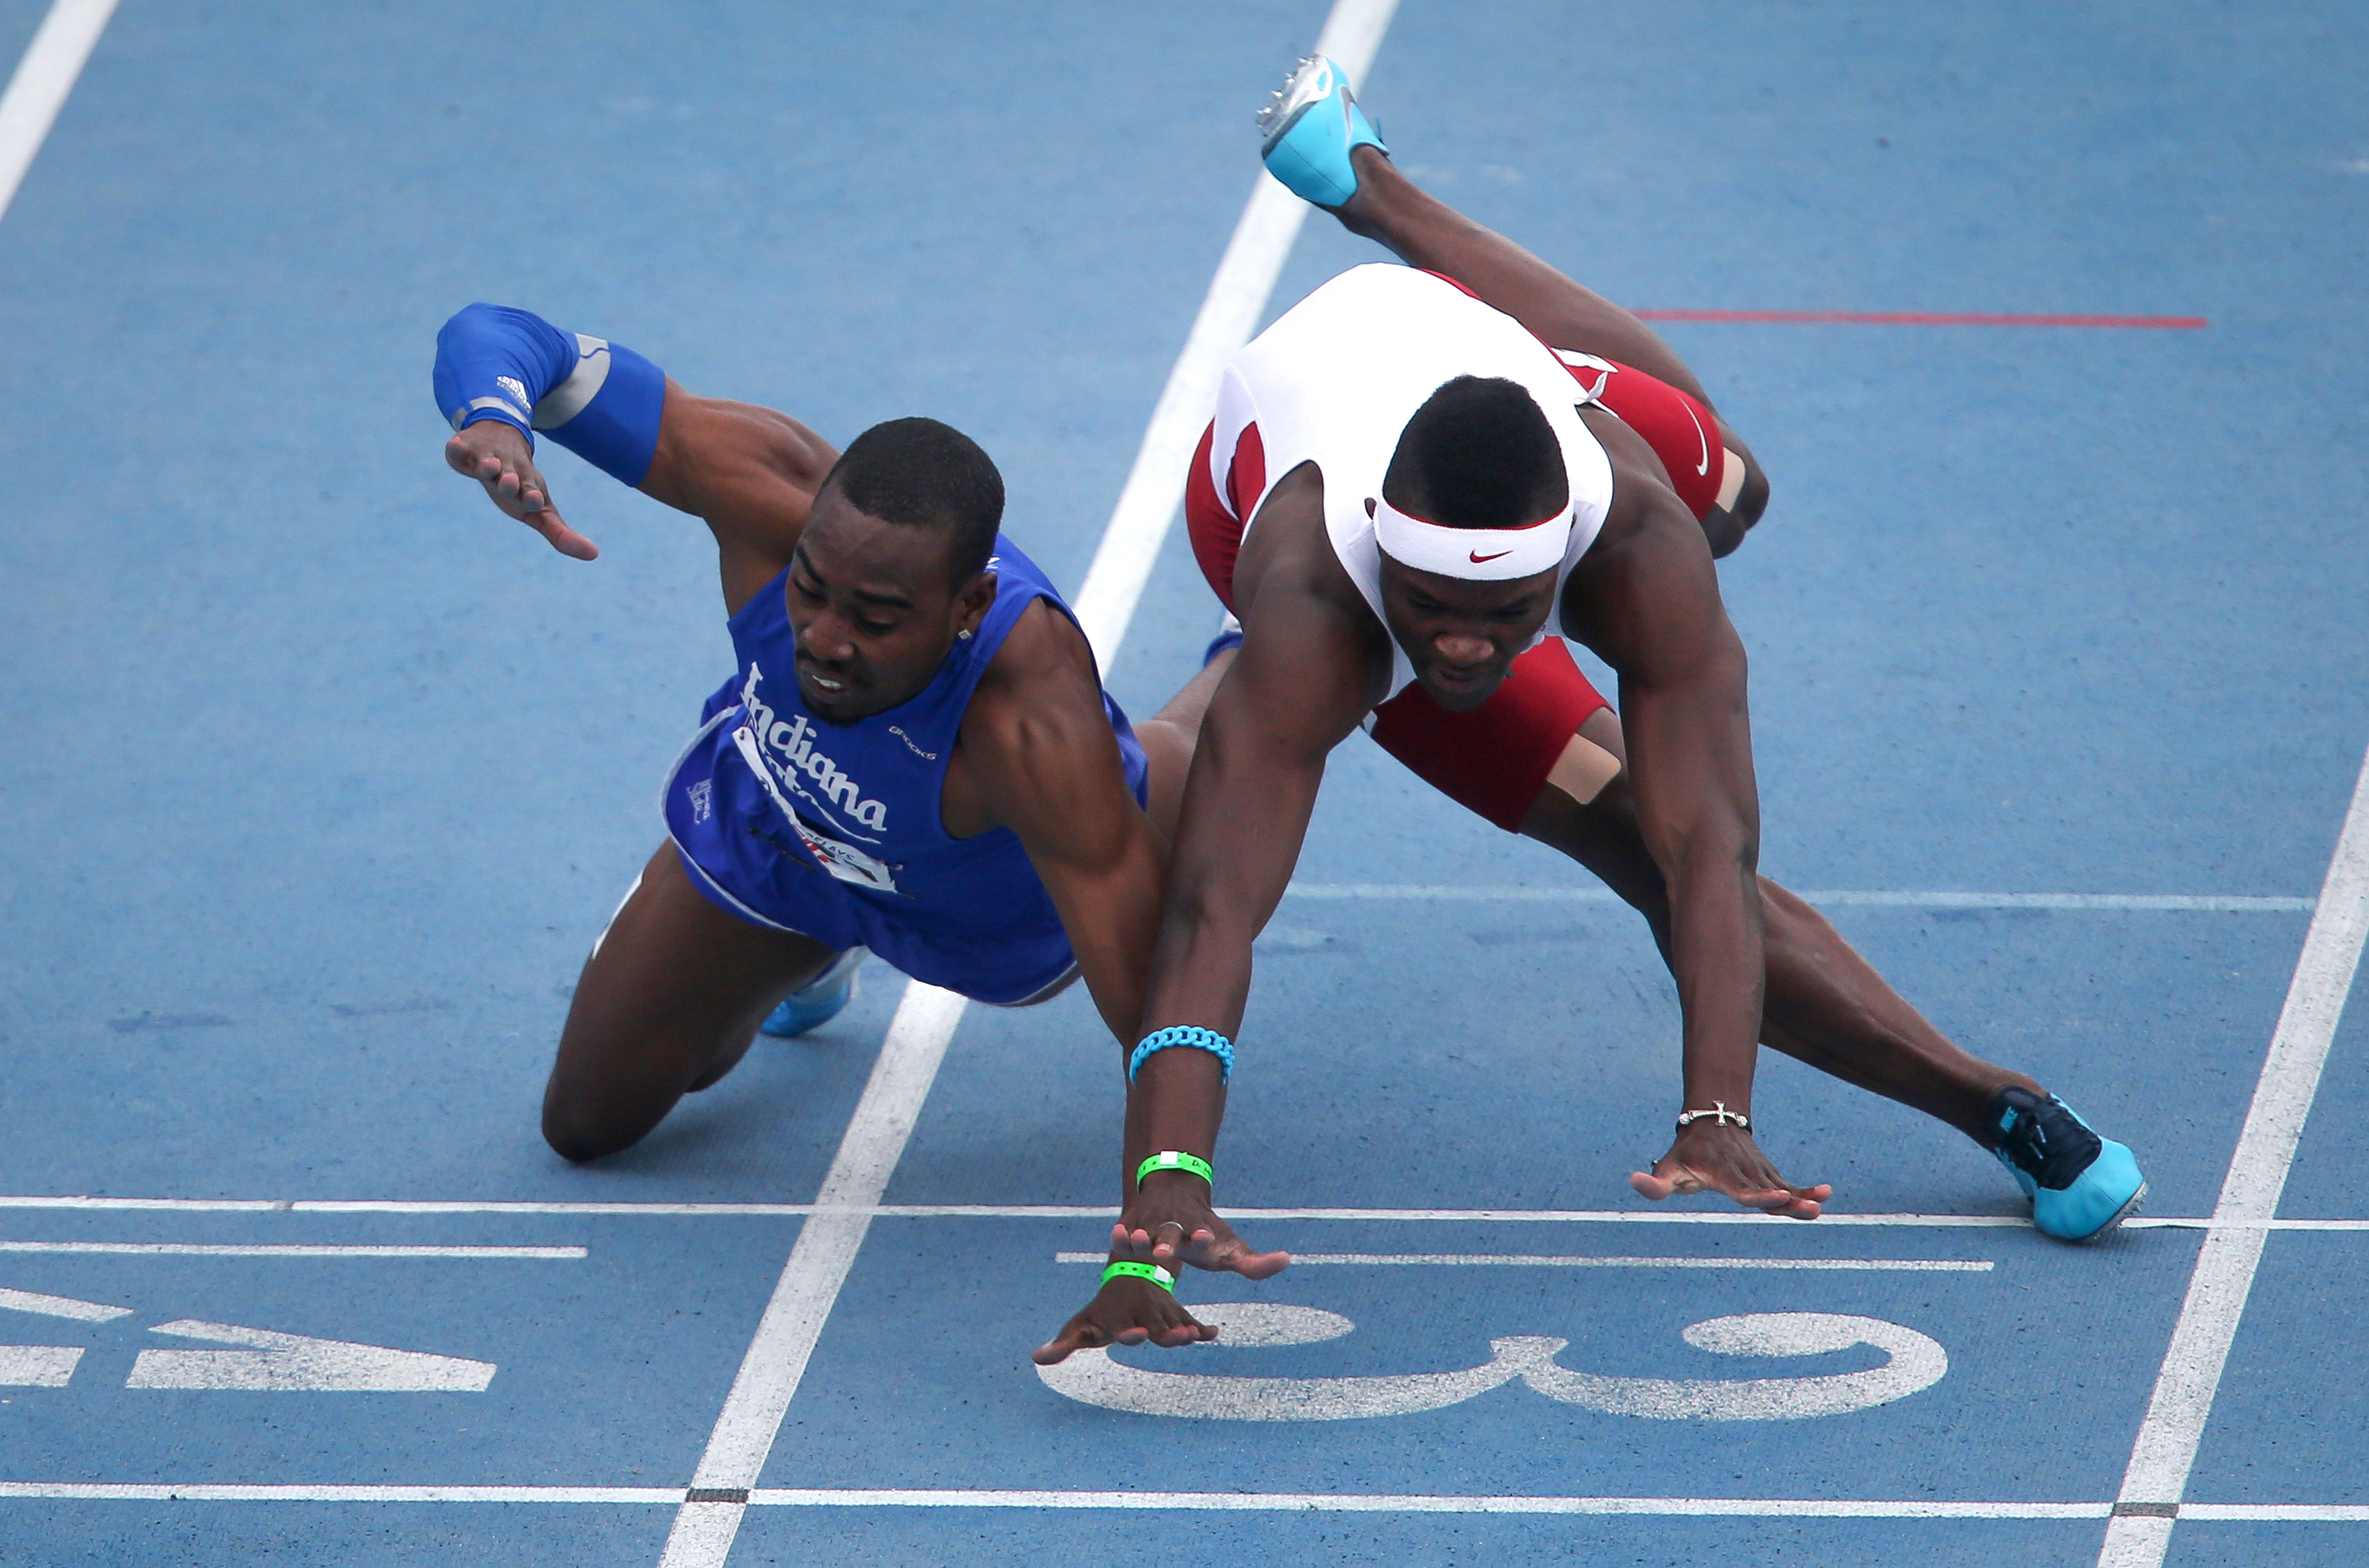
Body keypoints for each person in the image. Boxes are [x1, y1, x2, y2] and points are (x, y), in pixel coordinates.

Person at [1033, 57, 2144, 1364]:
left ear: (1565, 571)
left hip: (1498, 387)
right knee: (1617, 830)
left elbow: (1717, 850)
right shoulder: (1325, 599)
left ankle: (1374, 189)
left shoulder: (1640, 544)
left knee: (1734, 489)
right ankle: (1991, 1100)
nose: (1459, 640)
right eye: (1432, 604)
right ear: (1391, 558)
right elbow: (1214, 912)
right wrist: (1155, 1194)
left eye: (1498, 618)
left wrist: (1717, 1105)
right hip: (1271, 493)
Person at [431, 305, 1231, 1163]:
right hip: (781, 839)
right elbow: (510, 339)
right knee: (585, 1126)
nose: (825, 640)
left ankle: (1247, 645)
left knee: (1197, 761)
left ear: (967, 610)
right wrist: (495, 419)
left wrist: (1166, 1197)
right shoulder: (757, 496)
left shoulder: (1030, 719)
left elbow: (1154, 1003)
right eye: (810, 591)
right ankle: (808, 957)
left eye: (878, 619)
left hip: (987, 910)